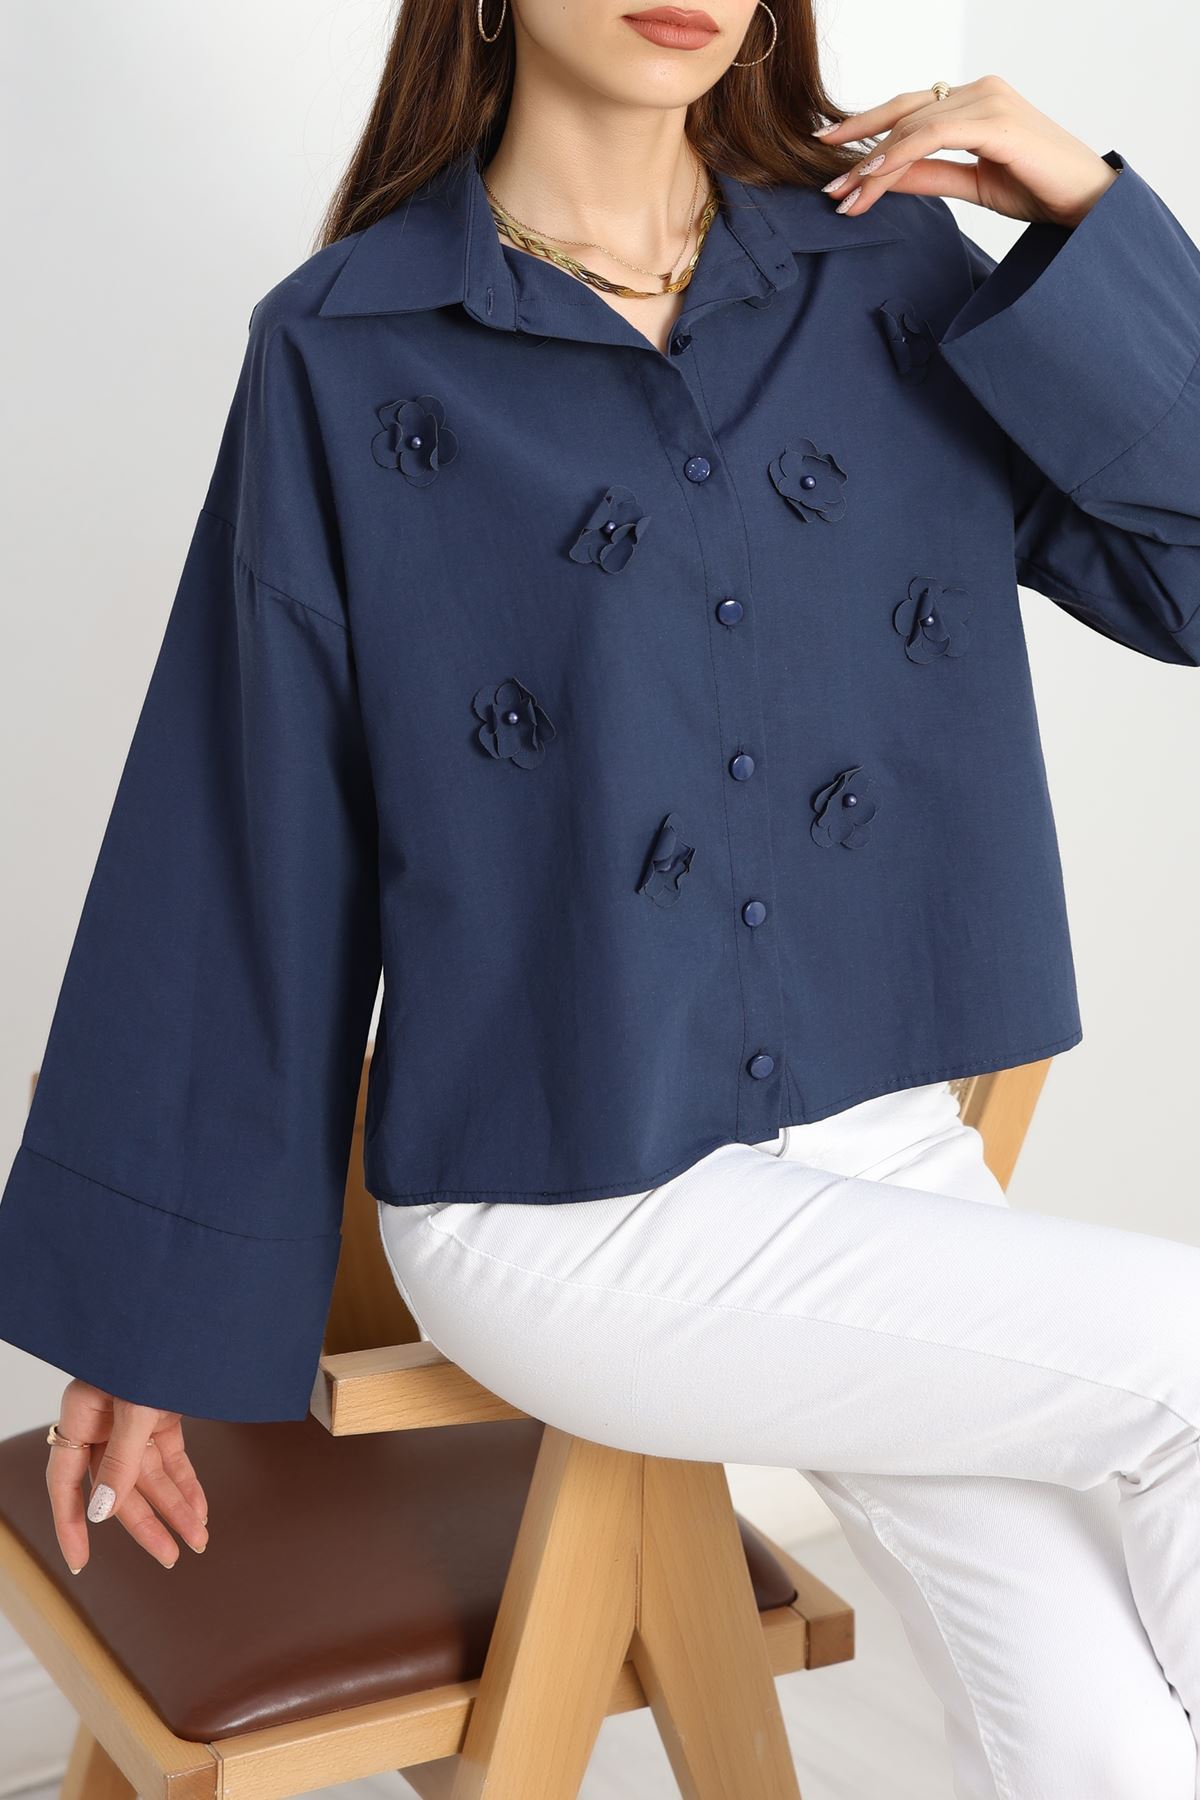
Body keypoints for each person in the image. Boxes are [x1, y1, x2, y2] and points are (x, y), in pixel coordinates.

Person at [2, 1, 1199, 1791]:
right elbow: (243, 839)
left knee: (1099, 1715)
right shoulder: (346, 350)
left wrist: (1091, 220)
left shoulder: (886, 279)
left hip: (890, 1161)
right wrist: (141, 1320)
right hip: (566, 1203)